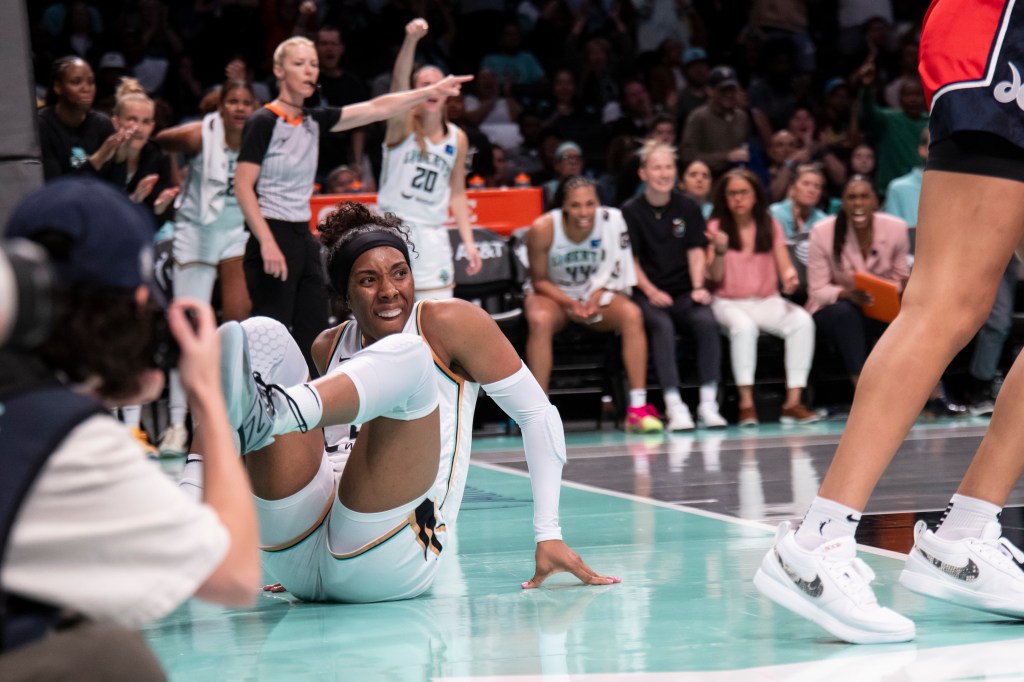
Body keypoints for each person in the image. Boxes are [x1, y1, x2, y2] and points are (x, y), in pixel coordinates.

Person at [192, 200, 617, 602]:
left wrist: (549, 533)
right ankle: (189, 503)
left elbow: (538, 415)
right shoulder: (328, 344)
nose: (389, 291)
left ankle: (277, 412)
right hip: (298, 553)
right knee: (263, 334)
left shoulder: (447, 323)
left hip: (393, 553)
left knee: (409, 353)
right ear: (343, 293)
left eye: (399, 273)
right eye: (368, 279)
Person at [0, 177, 257, 677]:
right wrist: (207, 395)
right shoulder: (66, 440)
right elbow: (234, 575)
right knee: (114, 657)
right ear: (127, 310)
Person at [235, 35, 471, 374]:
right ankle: (256, 421)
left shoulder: (314, 118)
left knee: (313, 336)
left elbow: (376, 108)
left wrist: (429, 92)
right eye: (299, 63)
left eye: (313, 64)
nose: (309, 69)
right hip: (271, 234)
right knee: (269, 338)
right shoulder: (263, 121)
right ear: (278, 71)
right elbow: (243, 187)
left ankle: (313, 420)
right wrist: (267, 241)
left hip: (302, 236)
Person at [152, 79, 258, 457]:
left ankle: (235, 416)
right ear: (221, 107)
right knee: (190, 329)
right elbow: (162, 138)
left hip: (232, 233)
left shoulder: (256, 138)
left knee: (238, 323)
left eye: (247, 101)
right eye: (233, 101)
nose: (241, 108)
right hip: (195, 232)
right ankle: (178, 426)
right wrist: (192, 138)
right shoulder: (202, 136)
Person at [524, 176, 665, 432]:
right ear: (564, 206)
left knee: (632, 315)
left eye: (591, 204)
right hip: (554, 296)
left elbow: (619, 268)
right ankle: (537, 414)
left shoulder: (613, 221)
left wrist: (595, 296)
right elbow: (539, 281)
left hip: (596, 295)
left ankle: (637, 409)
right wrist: (570, 303)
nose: (584, 212)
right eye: (576, 205)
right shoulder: (543, 228)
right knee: (539, 320)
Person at [621, 144, 729, 431]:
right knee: (661, 326)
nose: (664, 173)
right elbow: (629, 259)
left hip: (683, 290)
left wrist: (697, 286)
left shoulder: (688, 207)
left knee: (706, 321)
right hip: (646, 293)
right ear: (643, 173)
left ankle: (708, 403)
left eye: (669, 167)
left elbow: (696, 250)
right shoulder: (630, 212)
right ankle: (674, 406)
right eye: (657, 167)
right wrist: (650, 290)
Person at [377, 18, 482, 300]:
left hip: (433, 237)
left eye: (437, 85)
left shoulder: (457, 138)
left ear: (448, 90)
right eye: (424, 85)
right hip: (393, 231)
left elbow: (457, 193)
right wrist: (411, 41)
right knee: (391, 316)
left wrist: (469, 242)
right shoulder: (402, 124)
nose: (432, 90)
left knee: (436, 319)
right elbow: (398, 87)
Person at [706, 169, 818, 426]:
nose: (738, 199)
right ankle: (747, 404)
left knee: (802, 322)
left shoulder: (769, 224)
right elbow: (714, 275)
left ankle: (793, 402)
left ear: (755, 196)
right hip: (727, 301)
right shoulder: (715, 227)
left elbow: (784, 265)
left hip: (766, 299)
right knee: (743, 329)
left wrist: (790, 277)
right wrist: (720, 250)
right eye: (732, 193)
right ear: (724, 198)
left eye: (743, 192)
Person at [36, 55, 120, 181]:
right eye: (76, 82)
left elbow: (116, 183)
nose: (86, 89)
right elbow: (55, 188)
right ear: (58, 87)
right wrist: (98, 158)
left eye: (91, 82)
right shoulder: (42, 125)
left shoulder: (102, 124)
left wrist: (123, 157)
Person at [769, 163, 827, 239]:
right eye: (805, 184)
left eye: (817, 187)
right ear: (792, 189)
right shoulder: (775, 213)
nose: (812, 190)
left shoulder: (823, 221)